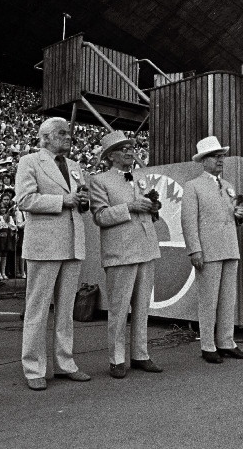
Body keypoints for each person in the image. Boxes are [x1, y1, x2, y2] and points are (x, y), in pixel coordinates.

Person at [15, 117, 92, 391]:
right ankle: (33, 367)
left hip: (72, 243)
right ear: (45, 138)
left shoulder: (74, 166)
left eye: (69, 133)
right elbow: (24, 200)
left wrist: (83, 202)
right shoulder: (30, 162)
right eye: (62, 134)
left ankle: (65, 363)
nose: (68, 137)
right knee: (37, 308)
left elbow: (82, 202)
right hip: (44, 246)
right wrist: (63, 201)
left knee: (66, 309)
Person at [90, 130, 163, 378]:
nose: (130, 151)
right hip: (120, 252)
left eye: (131, 147)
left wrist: (153, 209)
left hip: (145, 248)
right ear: (110, 156)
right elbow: (99, 216)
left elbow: (149, 214)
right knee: (119, 309)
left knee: (142, 308)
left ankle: (140, 354)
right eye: (123, 149)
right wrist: (129, 207)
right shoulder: (99, 181)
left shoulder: (141, 178)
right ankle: (116, 359)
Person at [181, 136, 243, 364]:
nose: (220, 160)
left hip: (230, 247)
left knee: (228, 299)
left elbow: (231, 217)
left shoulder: (229, 186)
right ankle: (208, 345)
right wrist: (195, 250)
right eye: (215, 156)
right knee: (208, 300)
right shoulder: (193, 186)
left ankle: (226, 342)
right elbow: (188, 221)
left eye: (222, 156)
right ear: (203, 161)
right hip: (208, 250)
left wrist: (238, 217)